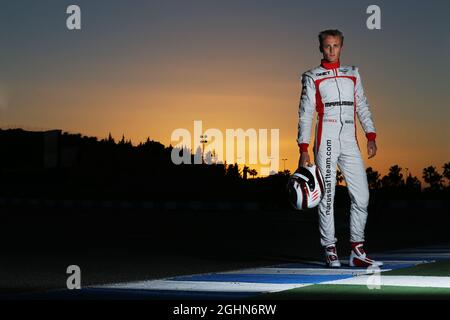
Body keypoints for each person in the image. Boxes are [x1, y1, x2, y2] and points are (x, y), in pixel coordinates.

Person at [297, 29, 382, 268]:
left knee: (362, 196)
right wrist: (303, 147)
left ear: (341, 46)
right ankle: (330, 248)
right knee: (328, 195)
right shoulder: (312, 76)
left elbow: (362, 104)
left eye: (336, 46)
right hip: (327, 138)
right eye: (327, 46)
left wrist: (371, 134)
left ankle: (357, 249)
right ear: (321, 48)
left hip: (349, 138)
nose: (332, 50)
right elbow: (305, 114)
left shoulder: (353, 73)